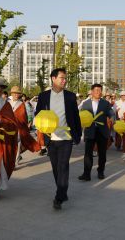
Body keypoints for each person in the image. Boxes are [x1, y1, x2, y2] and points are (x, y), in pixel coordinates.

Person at [35, 68, 82, 210]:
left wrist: (78, 135)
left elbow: (75, 116)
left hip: (66, 137)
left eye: (65, 78)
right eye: (61, 78)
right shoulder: (43, 96)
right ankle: (62, 191)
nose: (64, 80)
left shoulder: (70, 96)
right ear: (53, 78)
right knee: (55, 168)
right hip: (50, 138)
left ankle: (59, 197)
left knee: (63, 166)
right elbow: (38, 114)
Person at [79, 84, 115, 181]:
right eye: (96, 90)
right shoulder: (85, 103)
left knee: (102, 154)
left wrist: (112, 118)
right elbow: (82, 115)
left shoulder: (105, 103)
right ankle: (86, 174)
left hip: (102, 131)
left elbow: (111, 112)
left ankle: (100, 172)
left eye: (100, 90)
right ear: (91, 91)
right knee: (88, 154)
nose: (98, 92)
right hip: (90, 130)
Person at [8, 86, 41, 165]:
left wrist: (28, 122)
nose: (16, 95)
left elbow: (25, 115)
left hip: (19, 126)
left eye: (18, 93)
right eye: (14, 93)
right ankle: (16, 156)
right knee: (10, 144)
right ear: (12, 94)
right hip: (9, 126)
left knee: (18, 142)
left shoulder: (22, 104)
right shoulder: (7, 103)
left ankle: (15, 161)